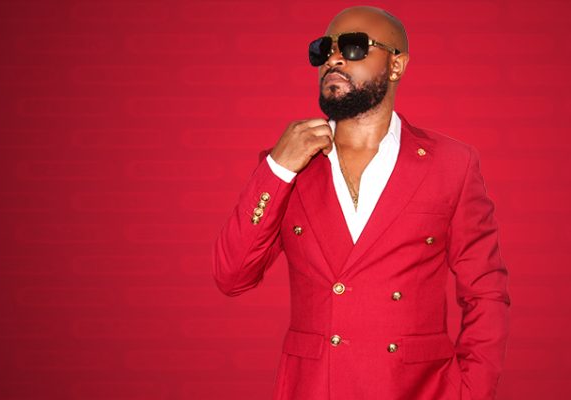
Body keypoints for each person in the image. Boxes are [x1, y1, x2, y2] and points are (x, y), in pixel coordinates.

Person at [212, 6, 510, 400]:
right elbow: (232, 276)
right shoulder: (287, 164)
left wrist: (470, 392)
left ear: (396, 65)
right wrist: (277, 169)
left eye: (353, 47)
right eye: (323, 49)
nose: (333, 59)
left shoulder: (451, 163)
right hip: (313, 388)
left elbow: (485, 293)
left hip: (418, 389)